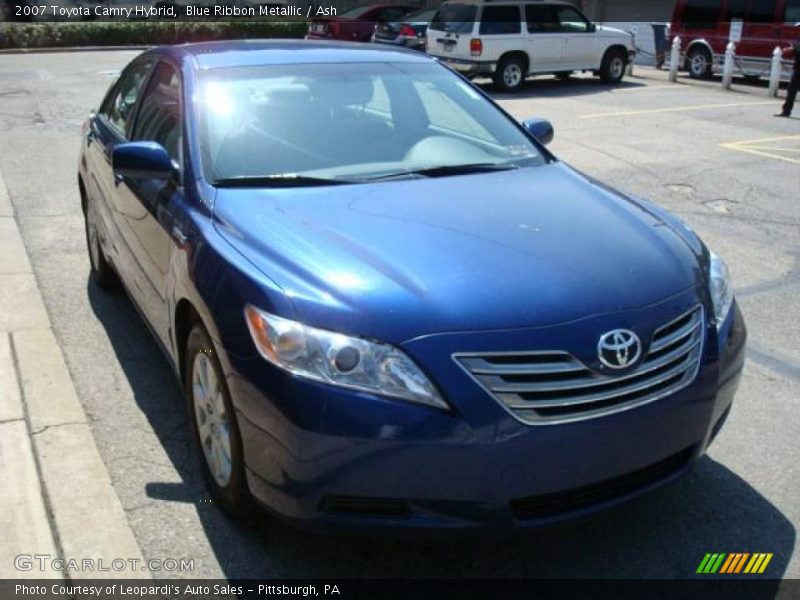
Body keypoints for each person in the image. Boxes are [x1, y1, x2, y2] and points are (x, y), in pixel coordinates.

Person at [777, 40, 800, 117]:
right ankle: (786, 111)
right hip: (798, 68)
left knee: (792, 90)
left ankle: (786, 111)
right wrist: (792, 49)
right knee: (791, 90)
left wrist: (793, 49)